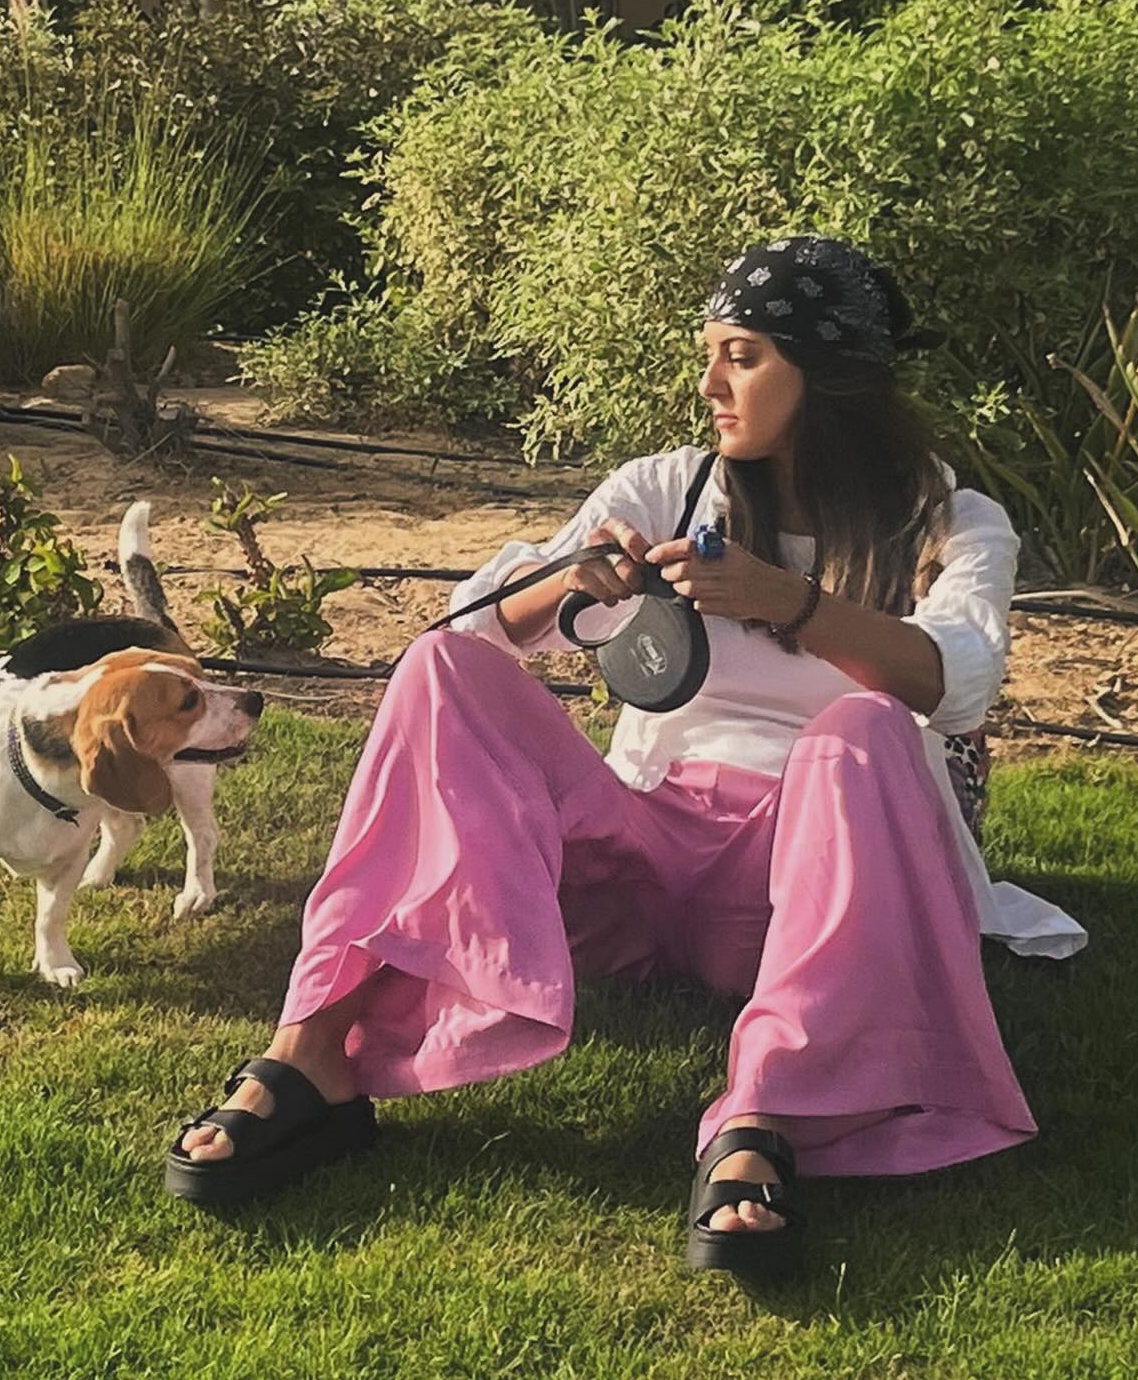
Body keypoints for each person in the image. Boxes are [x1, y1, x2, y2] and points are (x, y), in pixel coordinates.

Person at [163, 235, 1083, 1279]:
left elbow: (957, 681)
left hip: (811, 883)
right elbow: (478, 627)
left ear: (827, 375)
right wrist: (569, 582)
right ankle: (314, 1055)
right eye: (709, 355)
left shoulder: (948, 520)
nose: (711, 385)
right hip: (645, 858)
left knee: (863, 730)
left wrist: (792, 603)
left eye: (742, 356)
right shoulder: (671, 486)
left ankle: (766, 1114)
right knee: (440, 667)